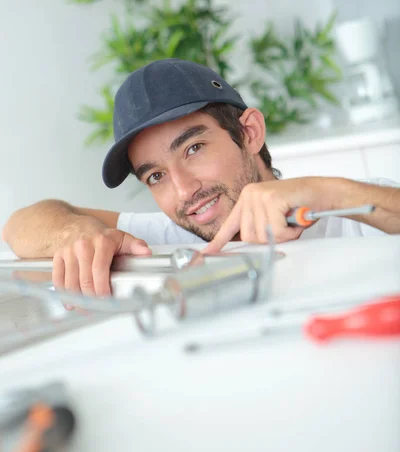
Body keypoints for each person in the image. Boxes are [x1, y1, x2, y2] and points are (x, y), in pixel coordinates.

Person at [3, 59, 400, 297]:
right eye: (156, 175)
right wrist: (74, 234)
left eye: (193, 149)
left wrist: (325, 191)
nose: (183, 190)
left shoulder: (352, 216)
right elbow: (20, 225)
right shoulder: (168, 239)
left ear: (249, 132)